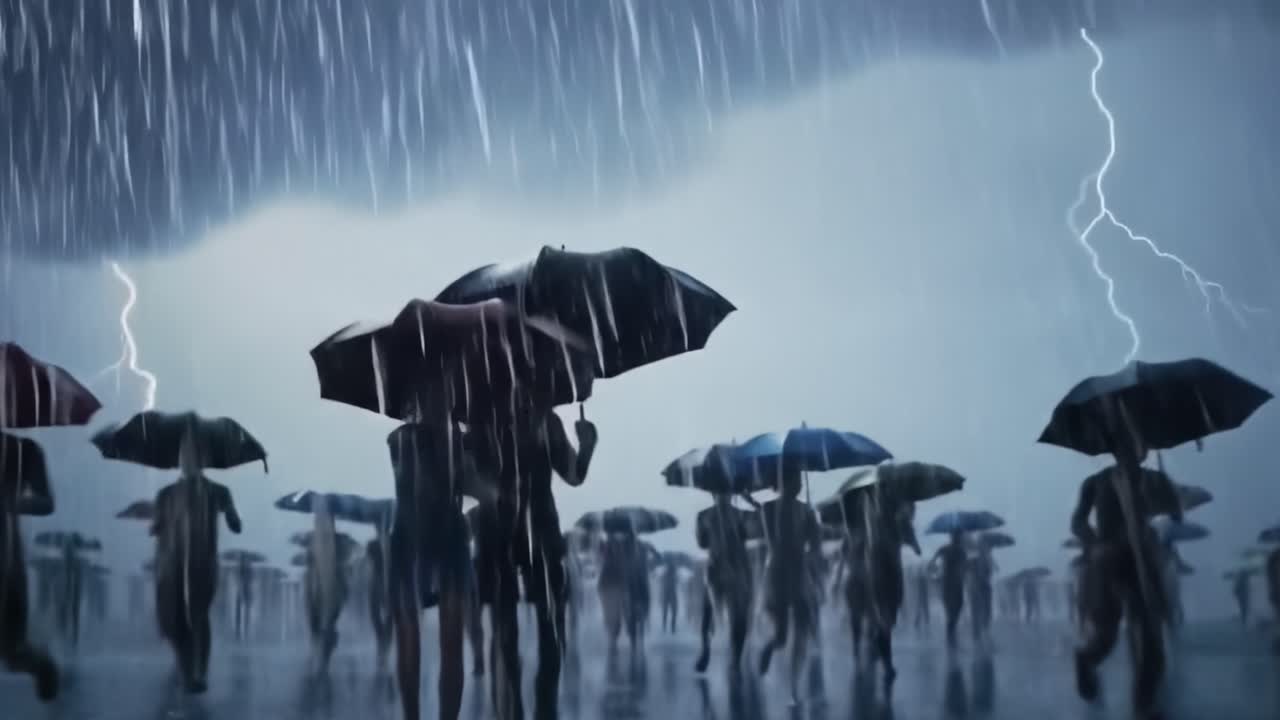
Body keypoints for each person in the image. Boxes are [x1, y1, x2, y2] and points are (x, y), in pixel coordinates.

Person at [469, 402, 597, 720]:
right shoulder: (483, 420)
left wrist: (587, 447)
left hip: (536, 529)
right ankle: (516, 709)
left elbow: (573, 473)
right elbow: (464, 476)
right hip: (505, 530)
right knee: (510, 631)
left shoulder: (543, 420)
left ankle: (541, 708)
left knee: (547, 627)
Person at [1070, 415, 1178, 717]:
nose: (1132, 450)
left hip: (1142, 563)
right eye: (1125, 445)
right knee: (1105, 639)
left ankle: (1143, 706)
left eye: (1137, 444)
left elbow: (1173, 510)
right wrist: (1095, 544)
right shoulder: (1096, 482)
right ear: (1116, 449)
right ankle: (1085, 660)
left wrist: (1167, 492)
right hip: (1108, 564)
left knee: (1153, 644)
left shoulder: (1153, 480)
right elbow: (1078, 521)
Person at [388, 420, 478, 720]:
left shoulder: (457, 439)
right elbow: (419, 484)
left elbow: (474, 485)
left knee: (449, 641)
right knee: (412, 639)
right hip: (413, 536)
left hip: (443, 535)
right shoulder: (403, 439)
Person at [152, 429, 243, 694]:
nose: (187, 459)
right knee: (177, 620)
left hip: (203, 564)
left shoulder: (218, 491)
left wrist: (232, 519)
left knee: (198, 614)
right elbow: (158, 529)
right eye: (183, 453)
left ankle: (199, 671)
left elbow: (234, 521)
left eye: (193, 453)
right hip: (172, 565)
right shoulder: (167, 494)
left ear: (203, 458)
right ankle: (186, 670)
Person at [0, 435, 59, 701]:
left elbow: (46, 502)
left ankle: (42, 668)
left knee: (12, 650)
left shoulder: (24, 450)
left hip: (7, 559)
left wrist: (10, 503)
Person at [757, 466, 822, 702]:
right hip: (777, 572)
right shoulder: (768, 508)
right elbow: (773, 542)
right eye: (794, 480)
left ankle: (795, 685)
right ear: (783, 482)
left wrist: (813, 533)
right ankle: (768, 649)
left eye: (799, 481)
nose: (799, 485)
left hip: (799, 572)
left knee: (802, 628)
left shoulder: (807, 510)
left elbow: (815, 545)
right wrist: (801, 533)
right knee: (782, 636)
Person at [693, 492, 753, 674]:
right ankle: (707, 649)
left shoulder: (732, 515)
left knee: (738, 616)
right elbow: (702, 543)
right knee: (709, 612)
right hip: (719, 567)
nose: (724, 495)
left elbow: (743, 538)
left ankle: (734, 658)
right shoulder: (705, 516)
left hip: (731, 567)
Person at [930, 531, 968, 649]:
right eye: (958, 537)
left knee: (952, 609)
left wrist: (936, 575)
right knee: (955, 608)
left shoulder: (946, 549)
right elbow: (965, 567)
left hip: (948, 583)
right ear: (955, 538)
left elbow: (931, 564)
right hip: (954, 584)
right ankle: (951, 636)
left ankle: (951, 634)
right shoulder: (960, 551)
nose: (959, 539)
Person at [967, 545, 996, 644]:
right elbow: (968, 570)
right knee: (978, 610)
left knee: (985, 610)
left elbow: (990, 573)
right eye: (988, 549)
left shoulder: (987, 560)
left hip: (982, 587)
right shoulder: (975, 560)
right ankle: (978, 632)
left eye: (989, 550)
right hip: (978, 587)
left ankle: (982, 630)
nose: (989, 551)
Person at [234, 553, 254, 641]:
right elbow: (239, 581)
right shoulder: (240, 569)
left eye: (248, 560)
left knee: (247, 611)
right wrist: (241, 590)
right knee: (240, 612)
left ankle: (245, 629)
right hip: (242, 591)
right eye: (245, 560)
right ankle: (239, 632)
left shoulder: (249, 570)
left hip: (247, 590)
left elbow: (252, 581)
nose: (247, 562)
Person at [659, 553, 680, 634]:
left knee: (668, 611)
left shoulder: (668, 573)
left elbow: (663, 583)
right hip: (669, 594)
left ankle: (669, 626)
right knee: (671, 611)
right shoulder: (670, 573)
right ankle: (670, 626)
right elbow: (676, 582)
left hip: (669, 594)